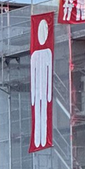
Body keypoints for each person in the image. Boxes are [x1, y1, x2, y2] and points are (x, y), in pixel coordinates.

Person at [31, 19, 53, 148]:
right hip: (39, 88)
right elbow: (33, 76)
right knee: (39, 114)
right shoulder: (35, 55)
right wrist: (33, 96)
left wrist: (49, 93)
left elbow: (49, 71)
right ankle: (39, 139)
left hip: (44, 88)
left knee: (44, 113)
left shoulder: (47, 52)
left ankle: (43, 139)